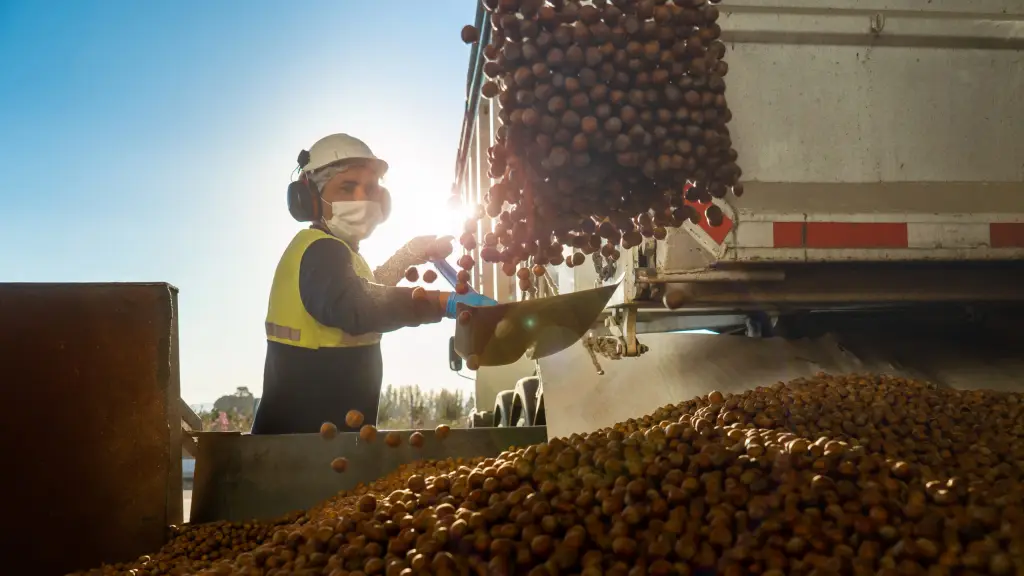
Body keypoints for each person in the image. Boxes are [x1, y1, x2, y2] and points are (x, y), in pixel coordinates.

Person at [251, 133, 496, 435]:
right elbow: (357, 306)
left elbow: (369, 286)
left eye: (370, 189)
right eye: (347, 187)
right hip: (298, 449)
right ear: (310, 199)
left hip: (331, 443)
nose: (361, 198)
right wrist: (442, 302)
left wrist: (411, 253)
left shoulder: (340, 253)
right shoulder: (317, 249)